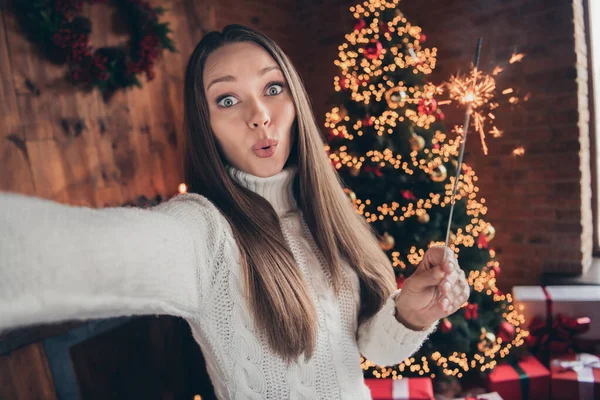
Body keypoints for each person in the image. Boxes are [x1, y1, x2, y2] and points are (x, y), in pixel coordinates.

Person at [0, 24, 470, 399]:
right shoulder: (204, 231)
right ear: (206, 126)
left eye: (272, 88)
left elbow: (365, 350)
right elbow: (84, 251)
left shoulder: (327, 212)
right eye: (228, 99)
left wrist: (409, 313)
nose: (259, 115)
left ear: (295, 102)